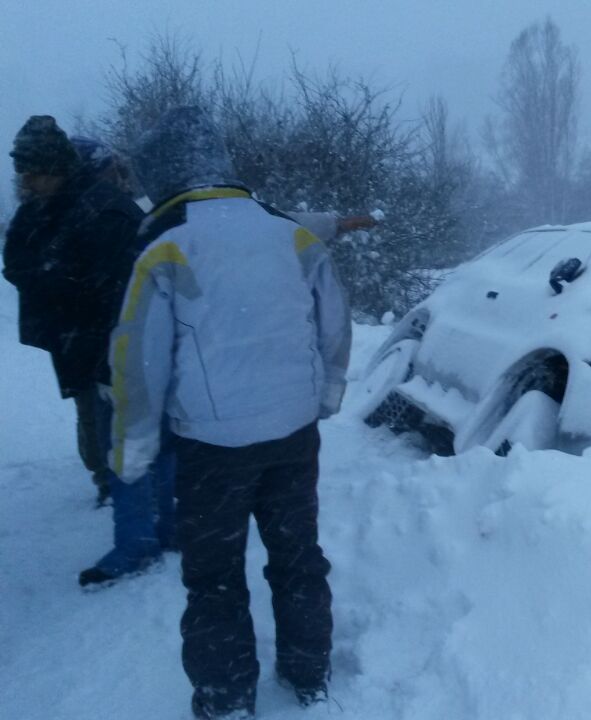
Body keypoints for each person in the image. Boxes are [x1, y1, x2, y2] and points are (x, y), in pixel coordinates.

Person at [113, 105, 351, 719]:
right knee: (298, 556)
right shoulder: (289, 235)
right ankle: (308, 673)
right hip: (294, 435)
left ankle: (226, 699)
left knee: (215, 576)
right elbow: (334, 323)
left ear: (161, 176)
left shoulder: (166, 248)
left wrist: (133, 450)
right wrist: (326, 394)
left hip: (212, 448)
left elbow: (139, 363)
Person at [3, 117, 174, 587]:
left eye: (33, 170)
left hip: (117, 344)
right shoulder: (45, 207)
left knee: (135, 440)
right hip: (82, 343)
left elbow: (128, 287)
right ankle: (154, 525)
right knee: (116, 439)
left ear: (57, 166)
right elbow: (18, 262)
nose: (26, 180)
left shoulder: (103, 209)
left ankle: (151, 535)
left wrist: (59, 281)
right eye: (22, 171)